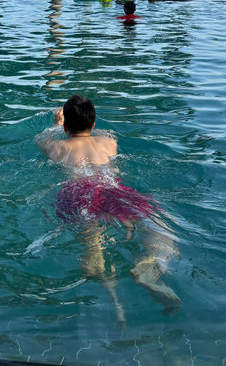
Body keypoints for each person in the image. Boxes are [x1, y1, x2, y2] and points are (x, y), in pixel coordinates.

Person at [36, 95, 179, 319]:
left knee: (93, 247)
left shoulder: (56, 147)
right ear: (93, 124)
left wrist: (55, 125)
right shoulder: (108, 142)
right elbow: (98, 131)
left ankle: (113, 299)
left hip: (78, 193)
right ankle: (151, 263)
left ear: (65, 127)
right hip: (112, 189)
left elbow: (42, 138)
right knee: (157, 227)